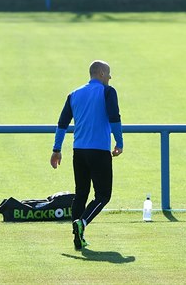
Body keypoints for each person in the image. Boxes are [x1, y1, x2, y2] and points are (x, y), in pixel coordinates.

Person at [50, 60, 124, 250]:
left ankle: (77, 236)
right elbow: (114, 117)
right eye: (108, 73)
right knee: (103, 195)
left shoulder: (74, 94)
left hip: (79, 152)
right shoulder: (108, 91)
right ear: (100, 73)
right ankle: (82, 223)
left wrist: (56, 150)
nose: (110, 77)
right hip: (99, 151)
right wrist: (119, 142)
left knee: (81, 193)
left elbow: (62, 123)